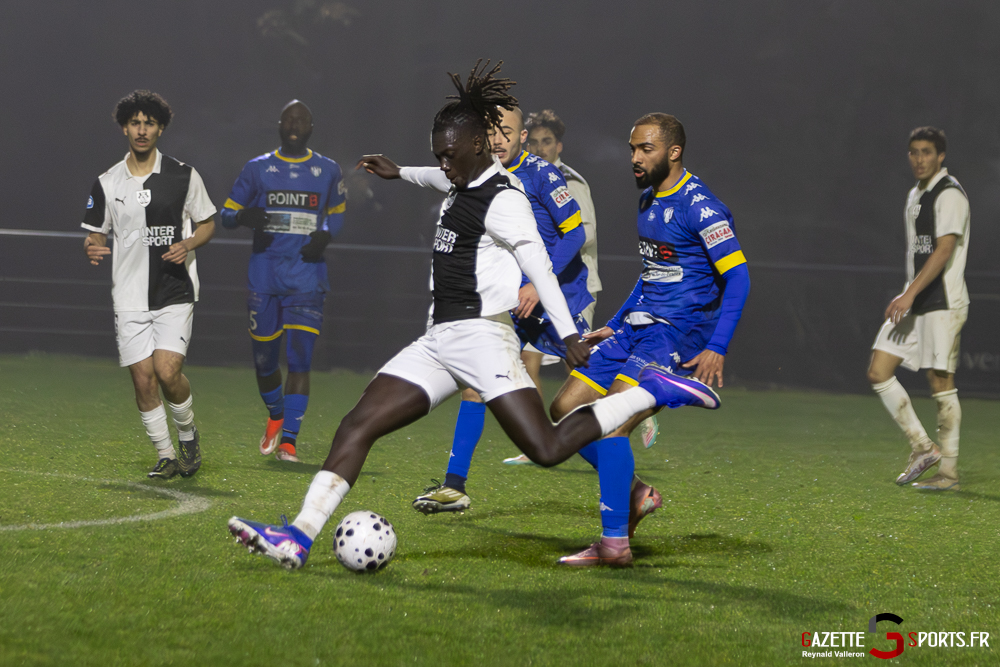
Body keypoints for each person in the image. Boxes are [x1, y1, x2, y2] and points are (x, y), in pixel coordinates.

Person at [227, 61, 720, 570]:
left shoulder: (506, 198)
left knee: (548, 448)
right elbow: (435, 179)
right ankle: (298, 537)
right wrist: (400, 172)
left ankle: (653, 391)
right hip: (439, 339)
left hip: (486, 339)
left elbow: (539, 267)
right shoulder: (461, 181)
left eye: (450, 155)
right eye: (438, 156)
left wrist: (571, 335)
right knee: (358, 425)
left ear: (478, 147)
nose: (443, 164)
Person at [546, 113, 751, 565]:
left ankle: (614, 545)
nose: (635, 158)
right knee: (563, 412)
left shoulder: (702, 207)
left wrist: (716, 346)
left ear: (673, 152)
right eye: (633, 149)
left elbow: (739, 278)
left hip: (675, 334)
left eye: (646, 150)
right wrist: (617, 322)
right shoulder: (646, 201)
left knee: (611, 424)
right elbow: (651, 274)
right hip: (636, 326)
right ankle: (635, 492)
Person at [408, 104, 594, 512]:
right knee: (479, 387)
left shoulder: (543, 173)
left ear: (522, 135)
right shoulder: (481, 176)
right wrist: (399, 172)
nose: (499, 140)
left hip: (558, 294)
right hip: (512, 303)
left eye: (507, 131)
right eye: (491, 132)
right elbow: (435, 177)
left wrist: (535, 285)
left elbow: (574, 231)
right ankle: (454, 486)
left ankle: (633, 417)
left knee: (574, 398)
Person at [81, 90, 216, 480]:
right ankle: (167, 455)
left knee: (167, 372)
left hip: (174, 290)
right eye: (135, 123)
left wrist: (188, 243)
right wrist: (93, 247)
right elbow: (95, 234)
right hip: (128, 294)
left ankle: (188, 438)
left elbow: (207, 221)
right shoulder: (107, 182)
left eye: (150, 123)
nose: (142, 130)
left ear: (160, 129)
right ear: (125, 127)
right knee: (143, 379)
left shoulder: (183, 175)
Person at [219, 100, 346, 463]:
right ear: (279, 125)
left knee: (300, 359)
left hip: (307, 277)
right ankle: (276, 414)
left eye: (301, 120)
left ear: (310, 127)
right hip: (265, 275)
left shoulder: (327, 170)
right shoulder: (258, 169)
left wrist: (324, 234)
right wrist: (244, 216)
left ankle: (289, 440)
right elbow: (226, 214)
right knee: (264, 360)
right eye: (289, 120)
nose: (294, 125)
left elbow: (336, 214)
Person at [866, 126, 970, 491]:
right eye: (914, 152)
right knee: (879, 370)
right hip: (916, 302)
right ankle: (923, 447)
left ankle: (949, 475)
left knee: (940, 384)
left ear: (941, 156)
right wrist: (910, 295)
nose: (919, 158)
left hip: (942, 303)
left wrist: (908, 294)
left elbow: (943, 250)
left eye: (927, 151)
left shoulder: (950, 194)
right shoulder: (915, 194)